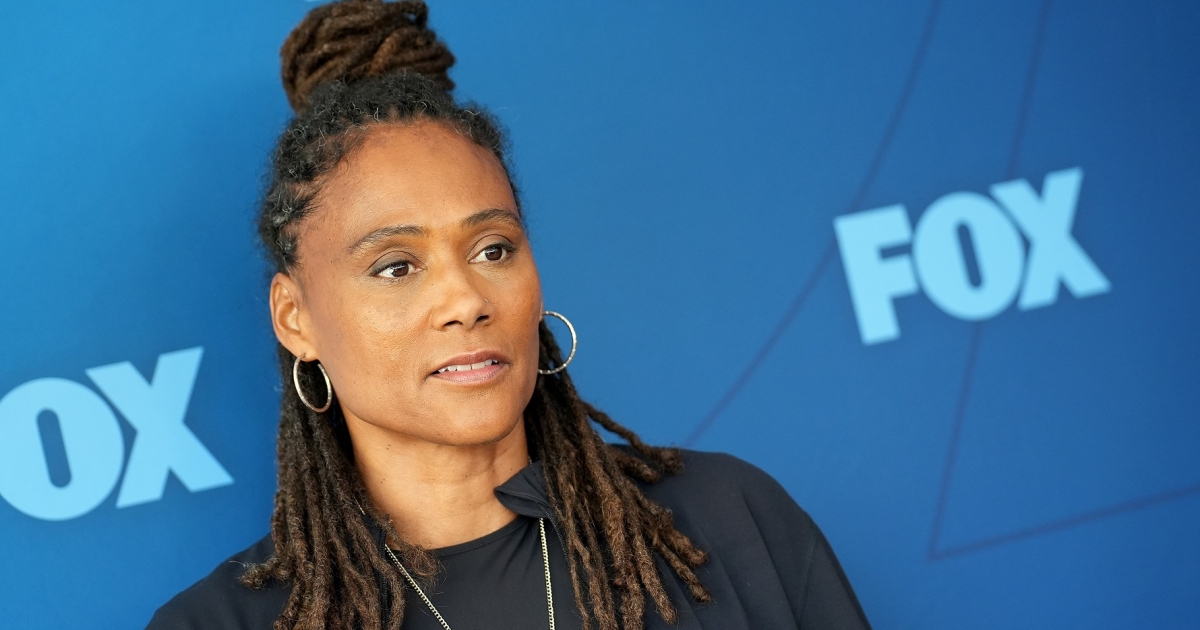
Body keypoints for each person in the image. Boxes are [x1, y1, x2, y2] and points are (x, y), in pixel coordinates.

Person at [146, 1, 872, 629]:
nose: (467, 300)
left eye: (493, 249)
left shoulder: (728, 523)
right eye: (396, 266)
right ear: (294, 317)